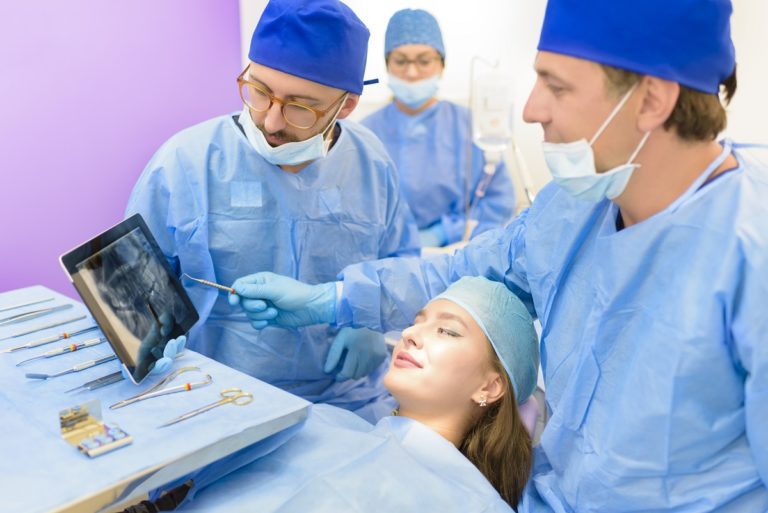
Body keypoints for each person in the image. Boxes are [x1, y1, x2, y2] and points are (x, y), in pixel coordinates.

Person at [229, 0, 768, 511]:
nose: (532, 110)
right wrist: (336, 298)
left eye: (555, 86)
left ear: (651, 100)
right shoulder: (573, 208)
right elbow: (461, 271)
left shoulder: (749, 252)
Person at [125, 0, 420, 421]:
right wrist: (144, 338)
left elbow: (402, 263)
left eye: (300, 107)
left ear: (346, 106)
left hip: (349, 404)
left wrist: (371, 324)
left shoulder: (371, 163)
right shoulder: (186, 162)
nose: (272, 121)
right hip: (219, 401)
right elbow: (133, 286)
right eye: (259, 92)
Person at [148, 276, 536, 512]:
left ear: (490, 386)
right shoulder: (322, 422)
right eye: (417, 322)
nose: (410, 334)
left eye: (447, 331)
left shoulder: (475, 504)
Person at [361, 9, 515, 248]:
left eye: (424, 61)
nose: (412, 72)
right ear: (387, 65)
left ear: (442, 65)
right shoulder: (365, 132)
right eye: (400, 61)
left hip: (455, 252)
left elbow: (498, 200)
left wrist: (444, 233)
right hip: (384, 252)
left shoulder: (470, 126)